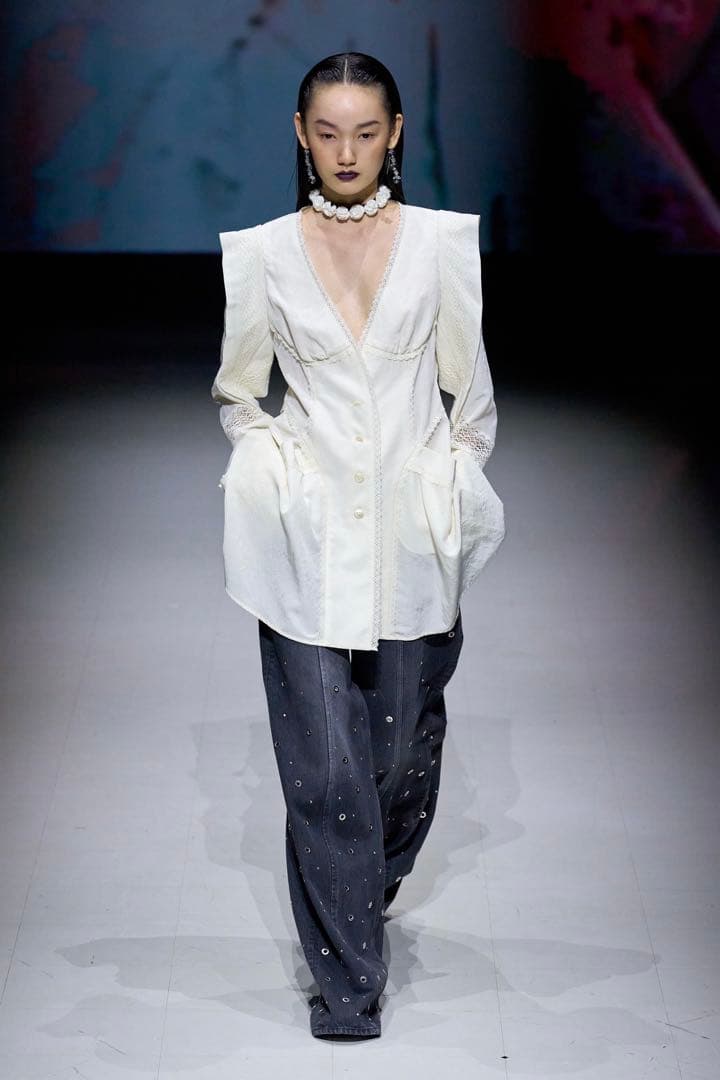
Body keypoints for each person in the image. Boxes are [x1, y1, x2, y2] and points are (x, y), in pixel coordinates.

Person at [211, 51, 505, 1040]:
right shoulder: (261, 254)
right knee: (326, 770)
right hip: (300, 541)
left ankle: (362, 879)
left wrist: (450, 484)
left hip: (411, 539)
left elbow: (472, 397)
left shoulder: (440, 245)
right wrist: (267, 466)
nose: (347, 152)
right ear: (301, 133)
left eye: (366, 132)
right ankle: (347, 985)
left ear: (396, 134)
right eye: (329, 132)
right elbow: (238, 391)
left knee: (398, 753)